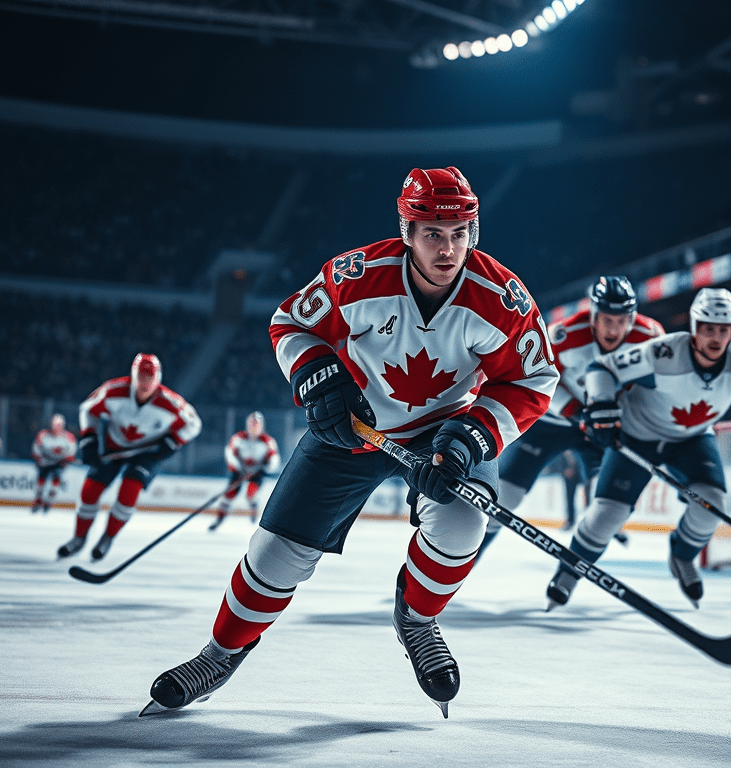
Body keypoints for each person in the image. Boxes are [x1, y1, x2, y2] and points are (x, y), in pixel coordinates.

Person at [144, 166, 558, 718]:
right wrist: (320, 376)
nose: (447, 248)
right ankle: (220, 654)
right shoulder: (358, 274)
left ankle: (416, 618)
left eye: (459, 233)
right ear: (407, 232)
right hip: (353, 427)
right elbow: (290, 321)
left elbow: (533, 380)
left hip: (446, 431)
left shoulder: (503, 299)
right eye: (432, 233)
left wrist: (471, 437)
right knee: (276, 555)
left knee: (463, 528)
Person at [545, 287, 731, 609]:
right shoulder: (663, 353)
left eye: (723, 330)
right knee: (608, 515)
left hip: (692, 440)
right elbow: (602, 369)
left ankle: (682, 556)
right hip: (637, 435)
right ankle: (568, 572)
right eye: (707, 328)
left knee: (712, 503)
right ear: (694, 328)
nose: (715, 338)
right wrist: (602, 405)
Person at [473, 276, 664, 562]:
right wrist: (575, 410)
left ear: (632, 317)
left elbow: (659, 389)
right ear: (593, 316)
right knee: (502, 502)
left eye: (621, 320)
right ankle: (463, 562)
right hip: (551, 423)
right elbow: (537, 378)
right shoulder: (562, 335)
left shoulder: (651, 337)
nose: (614, 329)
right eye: (607, 320)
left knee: (614, 503)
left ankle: (573, 568)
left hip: (603, 425)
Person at [56, 353, 202, 561]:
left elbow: (194, 424)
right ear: (133, 375)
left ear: (158, 378)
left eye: (150, 377)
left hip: (148, 454)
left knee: (129, 492)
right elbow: (88, 410)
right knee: (89, 493)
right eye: (141, 376)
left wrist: (173, 442)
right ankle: (78, 539)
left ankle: (107, 538)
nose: (145, 382)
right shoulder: (113, 391)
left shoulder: (171, 403)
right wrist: (88, 437)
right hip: (113, 448)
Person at [209, 411, 281, 531]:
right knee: (229, 495)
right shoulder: (238, 438)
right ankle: (219, 519)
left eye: (257, 425)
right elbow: (230, 453)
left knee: (251, 494)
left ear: (261, 426)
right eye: (252, 424)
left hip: (256, 473)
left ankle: (253, 505)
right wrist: (238, 467)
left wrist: (266, 468)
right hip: (239, 473)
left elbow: (274, 459)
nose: (254, 427)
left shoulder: (268, 441)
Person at [31, 413, 77, 514]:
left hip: (59, 463)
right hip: (45, 462)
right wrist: (39, 459)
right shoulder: (43, 435)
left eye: (58, 425)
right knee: (41, 480)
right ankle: (38, 499)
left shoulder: (69, 437)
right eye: (54, 425)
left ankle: (48, 501)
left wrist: (66, 461)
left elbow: (71, 452)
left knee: (56, 480)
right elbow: (36, 448)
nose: (56, 428)